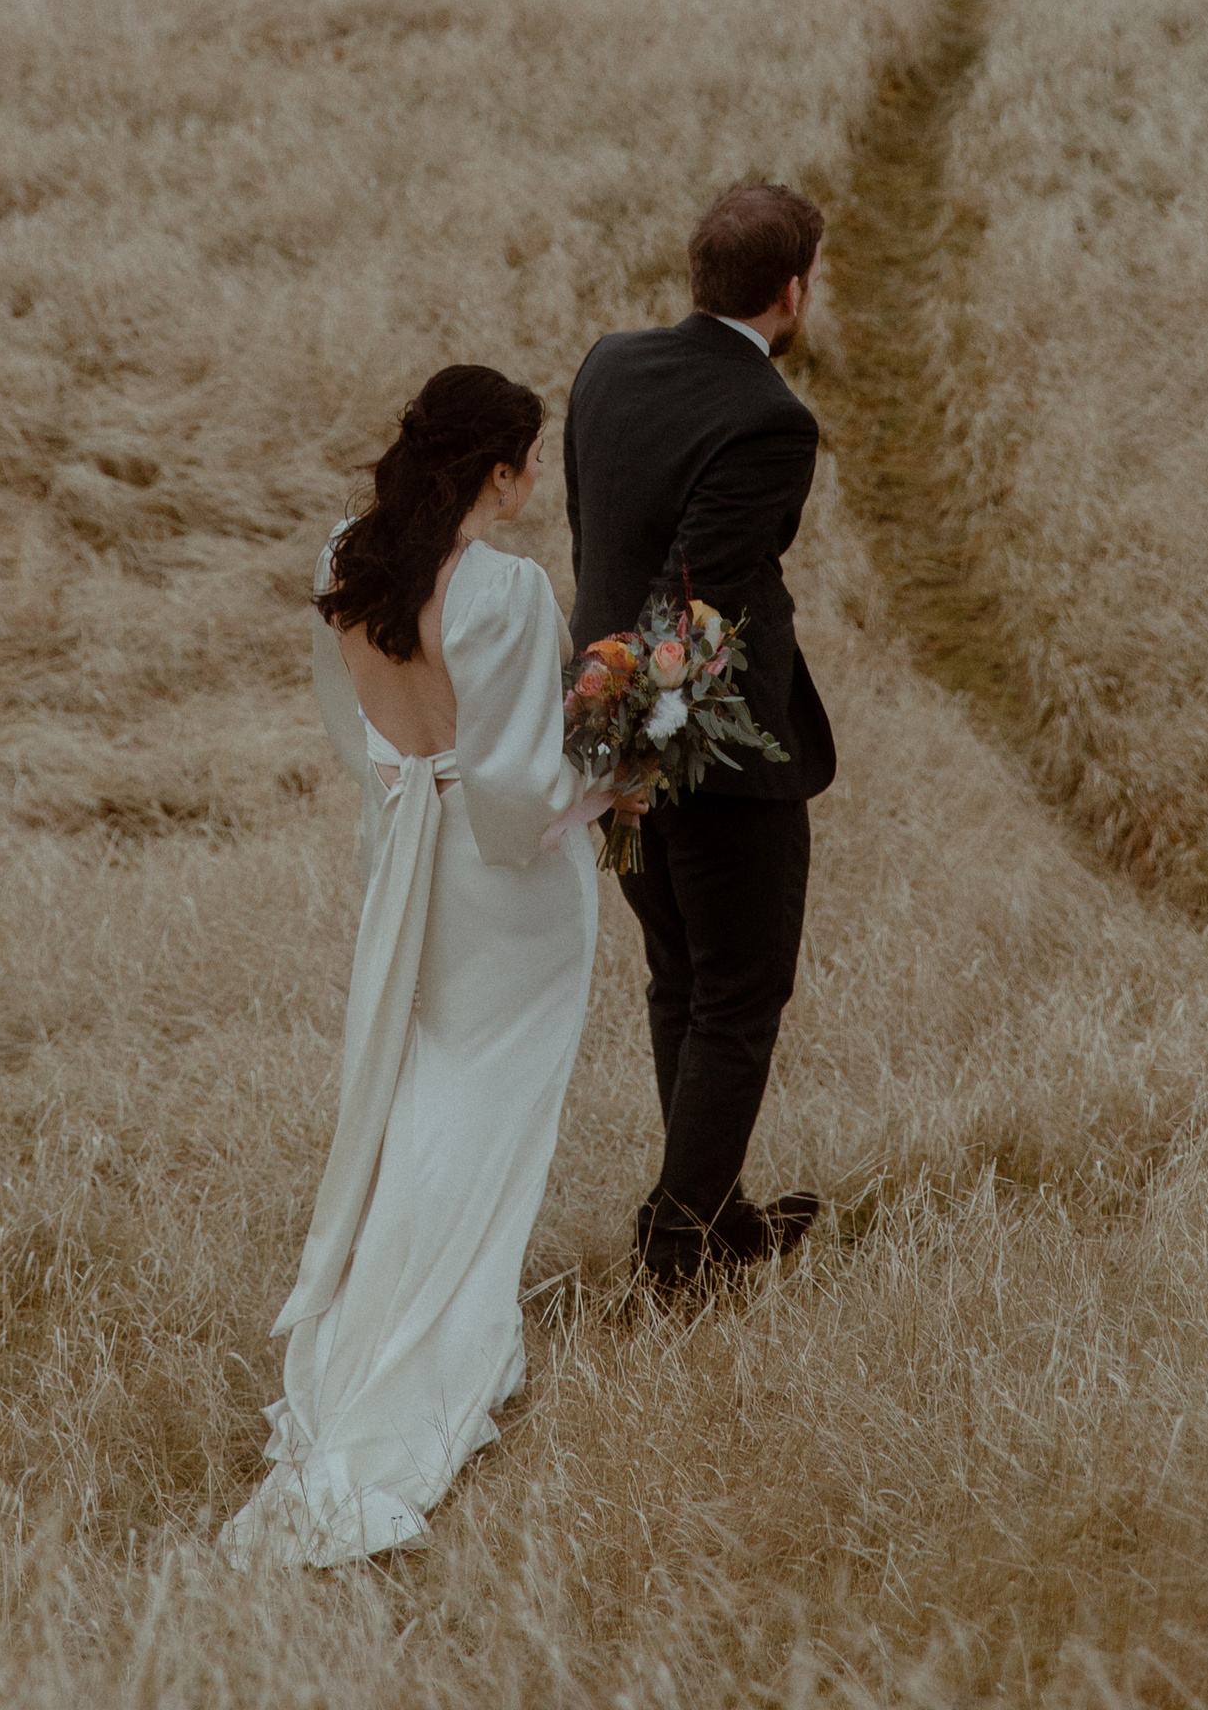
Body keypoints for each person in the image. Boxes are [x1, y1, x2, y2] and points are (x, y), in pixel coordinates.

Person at [221, 363, 597, 1570]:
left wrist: (403, 811)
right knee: (485, 1116)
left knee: (421, 1090)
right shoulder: (508, 589)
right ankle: (421, 1367)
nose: (539, 481)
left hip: (409, 861)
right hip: (508, 888)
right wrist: (618, 779)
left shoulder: (346, 557)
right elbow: (515, 783)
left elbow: (362, 731)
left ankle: (399, 1344)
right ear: (498, 468)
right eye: (532, 460)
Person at [564, 182, 834, 1293]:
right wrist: (676, 744)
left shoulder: (606, 365)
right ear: (793, 291)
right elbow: (704, 591)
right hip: (713, 752)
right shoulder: (770, 416)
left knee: (680, 976)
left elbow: (603, 549)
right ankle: (680, 1250)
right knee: (737, 991)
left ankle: (711, 1214)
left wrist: (621, 742)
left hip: (609, 730)